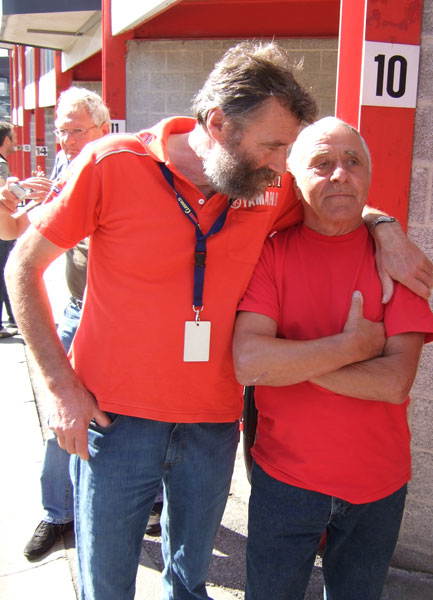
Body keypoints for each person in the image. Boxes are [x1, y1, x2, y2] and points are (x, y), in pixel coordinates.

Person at [4, 42, 433, 600]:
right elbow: (23, 265)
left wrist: (387, 228)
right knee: (106, 585)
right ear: (218, 124)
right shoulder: (111, 163)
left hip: (211, 427)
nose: (283, 165)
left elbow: (336, 199)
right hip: (115, 419)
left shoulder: (262, 182)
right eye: (273, 146)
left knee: (189, 583)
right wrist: (62, 389)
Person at [233, 117, 433, 600]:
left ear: (368, 175)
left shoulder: (396, 261)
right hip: (285, 481)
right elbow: (249, 363)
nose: (340, 174)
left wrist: (294, 365)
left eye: (352, 162)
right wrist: (350, 348)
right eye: (322, 164)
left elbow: (392, 382)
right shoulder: (271, 256)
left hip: (378, 485)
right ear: (295, 180)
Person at [0, 87, 110, 559]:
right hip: (78, 309)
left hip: (122, 314)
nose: (64, 139)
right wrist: (10, 206)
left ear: (102, 128)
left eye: (75, 130)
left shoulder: (119, 166)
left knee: (133, 413)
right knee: (61, 411)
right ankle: (58, 513)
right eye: (60, 130)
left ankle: (151, 501)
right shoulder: (66, 170)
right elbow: (15, 238)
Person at [0, 121, 19, 338]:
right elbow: (5, 200)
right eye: (13, 138)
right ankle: (14, 318)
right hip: (2, 229)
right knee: (7, 272)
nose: (16, 142)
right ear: (6, 141)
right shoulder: (1, 165)